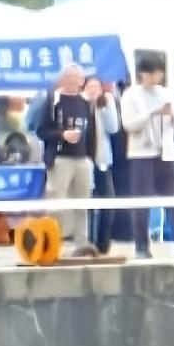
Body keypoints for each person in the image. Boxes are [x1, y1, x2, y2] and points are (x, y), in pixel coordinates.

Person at [118, 51, 174, 259]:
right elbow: (128, 124)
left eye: (159, 73)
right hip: (141, 153)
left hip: (166, 152)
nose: (156, 78)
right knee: (141, 201)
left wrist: (173, 116)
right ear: (143, 74)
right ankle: (141, 247)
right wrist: (152, 113)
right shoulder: (131, 95)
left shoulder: (165, 93)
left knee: (173, 198)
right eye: (152, 73)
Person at [37, 67, 98, 254]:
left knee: (83, 202)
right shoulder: (53, 101)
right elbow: (41, 131)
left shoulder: (86, 103)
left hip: (82, 159)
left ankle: (82, 243)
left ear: (82, 81)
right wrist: (62, 135)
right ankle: (52, 243)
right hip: (60, 158)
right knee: (56, 202)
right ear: (62, 79)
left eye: (76, 78)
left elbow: (92, 132)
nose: (72, 81)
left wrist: (90, 157)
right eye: (68, 77)